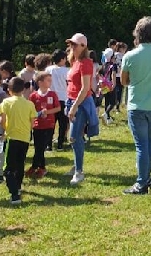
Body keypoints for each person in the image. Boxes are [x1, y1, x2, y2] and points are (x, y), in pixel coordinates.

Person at [121, 17, 151, 195]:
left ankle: (141, 183)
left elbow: (124, 81)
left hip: (137, 105)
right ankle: (146, 178)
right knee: (148, 143)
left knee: (142, 145)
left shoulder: (130, 56)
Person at [65, 32, 98, 186]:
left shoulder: (86, 63)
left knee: (74, 137)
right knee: (74, 137)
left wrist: (74, 107)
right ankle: (77, 165)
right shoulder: (75, 62)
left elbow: (85, 89)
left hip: (80, 104)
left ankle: (79, 171)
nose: (71, 47)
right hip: (71, 101)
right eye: (70, 44)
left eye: (74, 44)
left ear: (83, 46)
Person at [0, 77, 38, 205]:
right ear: (24, 89)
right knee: (20, 163)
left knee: (8, 167)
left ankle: (14, 194)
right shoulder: (30, 104)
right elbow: (33, 123)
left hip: (12, 137)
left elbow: (2, 121)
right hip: (25, 138)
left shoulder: (6, 102)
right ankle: (19, 186)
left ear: (9, 90)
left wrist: (6, 129)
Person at [27, 72, 60, 179]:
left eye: (51, 80)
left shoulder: (52, 94)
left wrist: (48, 112)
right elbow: (30, 110)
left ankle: (34, 167)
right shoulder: (33, 96)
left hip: (49, 125)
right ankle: (42, 168)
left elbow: (58, 108)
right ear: (40, 82)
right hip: (37, 125)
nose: (50, 82)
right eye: (48, 80)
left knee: (41, 148)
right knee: (38, 147)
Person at [46, 49, 69, 150]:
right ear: (62, 59)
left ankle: (48, 144)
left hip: (50, 98)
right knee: (62, 123)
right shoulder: (66, 71)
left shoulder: (48, 69)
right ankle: (60, 143)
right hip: (63, 98)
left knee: (51, 122)